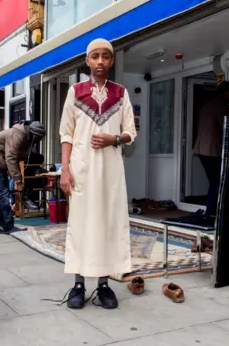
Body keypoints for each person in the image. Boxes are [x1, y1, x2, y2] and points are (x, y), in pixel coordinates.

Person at [59, 38, 137, 310]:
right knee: (81, 224)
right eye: (95, 57)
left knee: (108, 223)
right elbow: (66, 133)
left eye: (106, 56)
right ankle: (78, 285)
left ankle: (103, 286)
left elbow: (131, 132)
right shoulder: (75, 92)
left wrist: (113, 139)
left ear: (112, 61)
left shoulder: (121, 93)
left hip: (111, 173)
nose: (101, 61)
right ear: (87, 61)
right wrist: (65, 169)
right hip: (81, 169)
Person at [0, 120, 46, 234]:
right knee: (4, 195)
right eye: (38, 139)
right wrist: (17, 180)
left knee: (2, 194)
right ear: (34, 135)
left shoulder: (26, 138)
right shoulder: (17, 135)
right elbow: (11, 158)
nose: (38, 141)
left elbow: (16, 158)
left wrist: (18, 177)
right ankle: (8, 226)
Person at [193, 80, 229, 218]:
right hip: (211, 149)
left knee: (214, 180)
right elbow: (227, 125)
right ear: (226, 93)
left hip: (203, 148)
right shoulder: (220, 105)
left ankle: (211, 211)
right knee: (217, 181)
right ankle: (211, 212)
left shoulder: (207, 105)